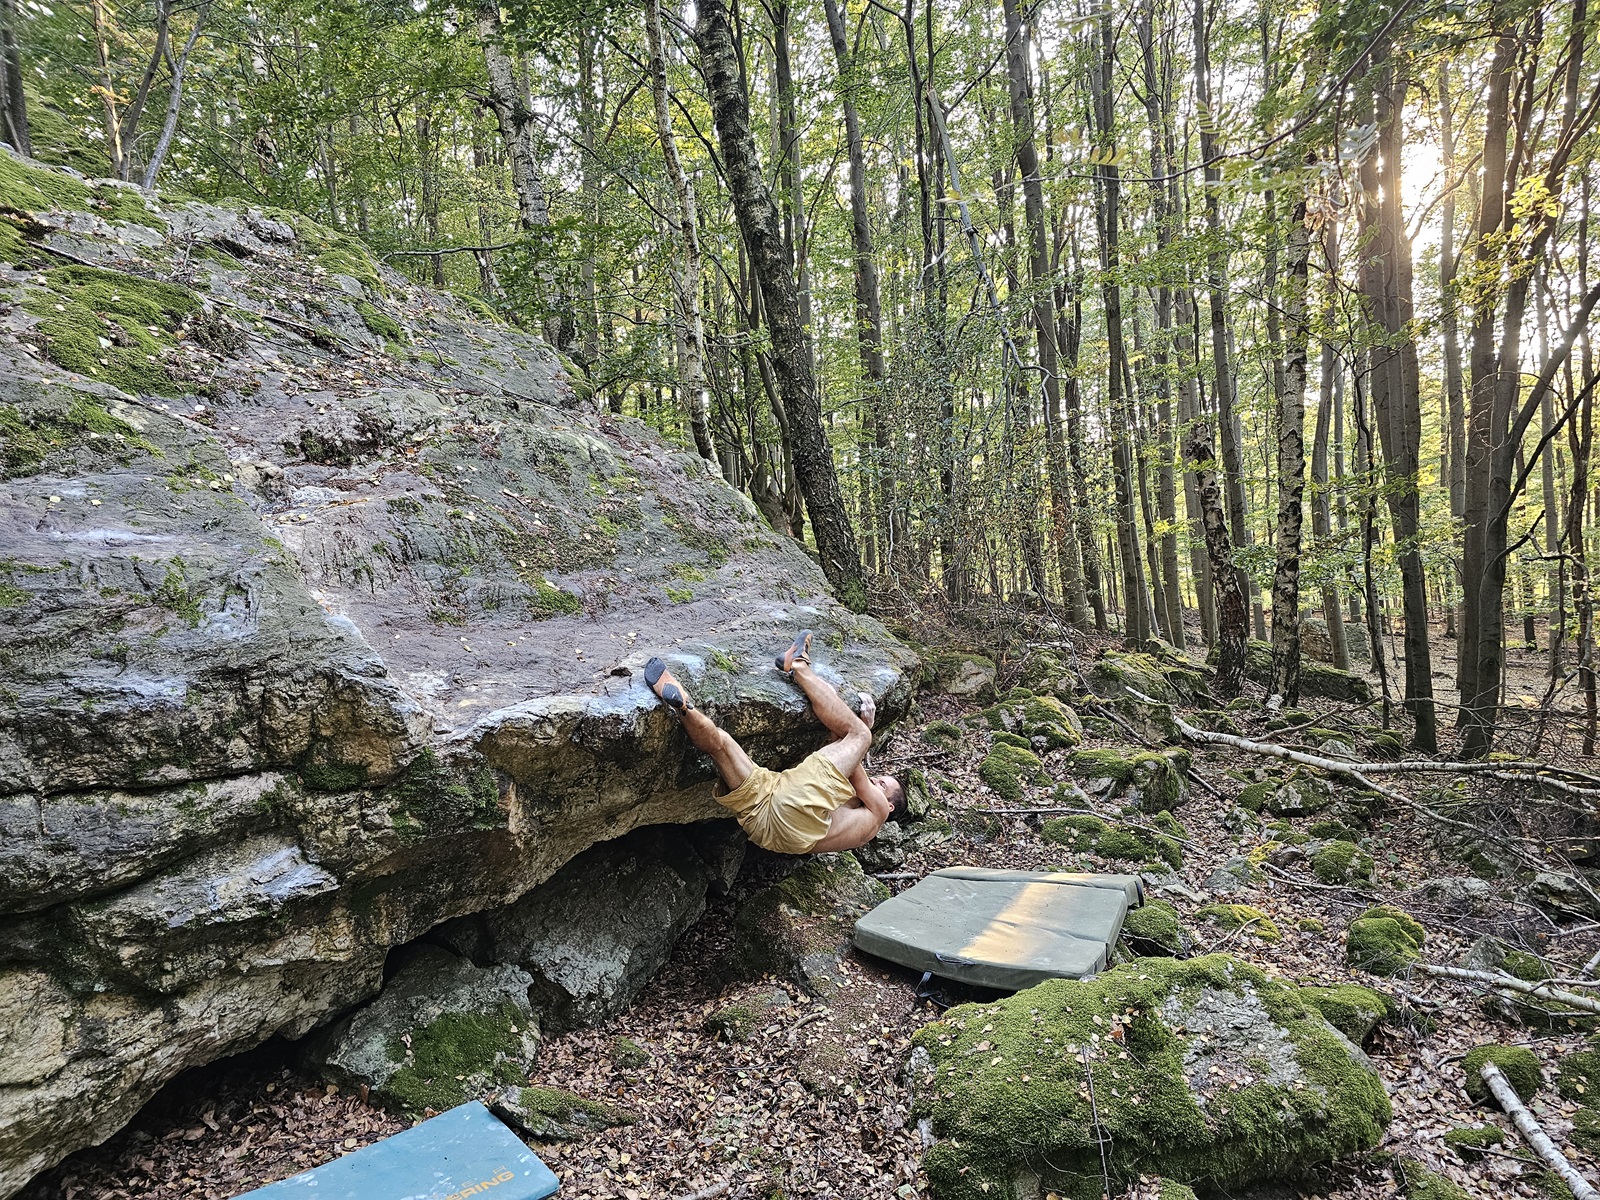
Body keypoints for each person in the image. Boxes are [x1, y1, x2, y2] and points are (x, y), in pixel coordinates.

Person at [643, 630, 904, 854]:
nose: (875, 781)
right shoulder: (854, 819)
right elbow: (838, 751)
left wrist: (864, 728)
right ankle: (683, 706)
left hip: (798, 814)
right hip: (769, 828)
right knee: (720, 744)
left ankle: (799, 665)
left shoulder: (878, 813)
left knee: (861, 736)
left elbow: (853, 758)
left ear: (890, 805)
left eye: (882, 784)